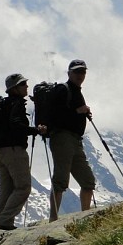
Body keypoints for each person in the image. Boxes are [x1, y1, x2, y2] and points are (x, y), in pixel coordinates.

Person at [0, 73, 47, 230]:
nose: (26, 86)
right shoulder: (17, 104)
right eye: (22, 84)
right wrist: (35, 130)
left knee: (6, 187)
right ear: (14, 89)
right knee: (23, 187)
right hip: (14, 151)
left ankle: (1, 223)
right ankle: (4, 221)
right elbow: (16, 125)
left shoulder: (2, 105)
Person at [47, 59, 96, 221]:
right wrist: (78, 111)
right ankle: (53, 219)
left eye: (83, 72)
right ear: (69, 73)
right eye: (77, 72)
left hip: (75, 140)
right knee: (60, 180)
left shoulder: (75, 91)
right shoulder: (63, 89)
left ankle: (85, 217)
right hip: (62, 137)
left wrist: (79, 112)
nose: (80, 75)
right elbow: (55, 115)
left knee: (88, 181)